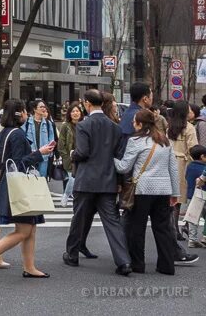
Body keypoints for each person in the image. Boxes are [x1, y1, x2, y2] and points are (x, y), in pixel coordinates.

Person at [0, 100, 56, 279]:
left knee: (30, 227)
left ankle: (29, 266)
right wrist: (40, 153)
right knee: (25, 230)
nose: (26, 115)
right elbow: (20, 162)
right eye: (24, 112)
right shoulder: (18, 135)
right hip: (19, 186)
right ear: (19, 114)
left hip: (9, 183)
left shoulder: (5, 132)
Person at [63, 89, 133, 275]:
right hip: (108, 180)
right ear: (102, 103)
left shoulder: (84, 125)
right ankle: (124, 261)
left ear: (86, 103)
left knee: (79, 218)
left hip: (86, 180)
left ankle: (72, 255)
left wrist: (72, 154)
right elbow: (119, 156)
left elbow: (83, 152)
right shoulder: (115, 127)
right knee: (112, 222)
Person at [114, 109, 180, 275]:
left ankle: (138, 264)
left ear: (140, 124)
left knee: (137, 228)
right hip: (163, 190)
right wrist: (175, 193)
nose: (132, 123)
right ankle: (167, 266)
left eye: (135, 121)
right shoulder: (164, 141)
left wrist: (110, 158)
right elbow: (173, 168)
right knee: (163, 229)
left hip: (143, 189)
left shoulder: (136, 140)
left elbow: (124, 167)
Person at [167, 102, 199, 236]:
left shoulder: (169, 127)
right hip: (182, 164)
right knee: (178, 199)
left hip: (168, 161)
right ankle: (176, 230)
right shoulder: (189, 128)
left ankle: (171, 228)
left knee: (170, 199)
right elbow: (193, 148)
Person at [59, 101, 84, 207]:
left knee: (79, 178)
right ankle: (66, 195)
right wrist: (66, 156)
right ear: (69, 113)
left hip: (82, 155)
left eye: (77, 111)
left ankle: (74, 196)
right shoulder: (65, 126)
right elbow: (61, 143)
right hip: (70, 157)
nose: (75, 113)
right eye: (73, 111)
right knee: (72, 177)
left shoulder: (84, 125)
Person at [22, 100, 55, 178]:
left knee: (42, 179)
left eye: (44, 107)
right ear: (35, 109)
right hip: (31, 155)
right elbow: (23, 137)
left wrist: (50, 149)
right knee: (31, 178)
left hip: (44, 156)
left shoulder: (48, 123)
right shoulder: (26, 122)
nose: (43, 108)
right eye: (41, 107)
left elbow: (51, 138)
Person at [185, 145, 206, 248]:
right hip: (204, 194)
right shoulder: (203, 168)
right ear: (202, 156)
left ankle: (192, 239)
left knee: (193, 218)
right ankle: (204, 236)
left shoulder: (189, 166)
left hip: (192, 195)